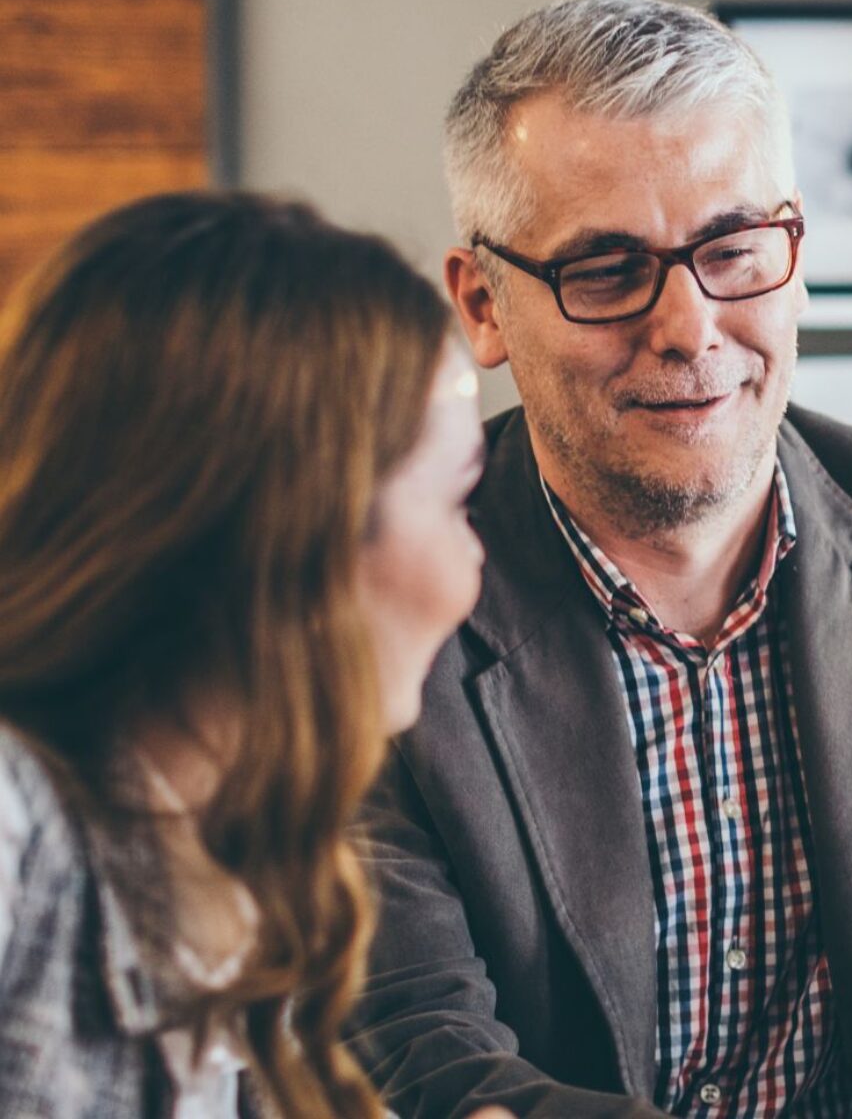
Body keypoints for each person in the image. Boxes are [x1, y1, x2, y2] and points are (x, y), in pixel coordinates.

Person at [349, 0, 852, 1119]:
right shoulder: (377, 597)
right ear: (484, 305)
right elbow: (424, 1060)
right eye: (605, 269)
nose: (688, 326)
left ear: (794, 260)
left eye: (733, 249)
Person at [0, 191, 491, 1117]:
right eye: (457, 501)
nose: (475, 562)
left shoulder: (234, 863)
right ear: (301, 536)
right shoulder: (13, 826)